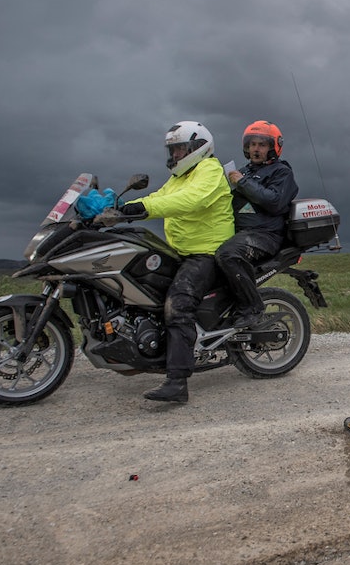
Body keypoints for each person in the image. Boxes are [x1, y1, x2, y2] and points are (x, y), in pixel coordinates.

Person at [96, 121, 234, 404]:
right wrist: (124, 210)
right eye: (172, 150)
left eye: (180, 149)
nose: (175, 155)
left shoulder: (209, 170)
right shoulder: (180, 177)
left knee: (178, 303)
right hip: (181, 251)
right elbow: (161, 197)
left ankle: (178, 381)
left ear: (198, 148)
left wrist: (143, 208)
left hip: (205, 252)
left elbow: (191, 200)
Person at [215, 120, 299, 329]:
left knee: (228, 255)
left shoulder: (282, 172)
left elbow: (274, 201)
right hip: (241, 233)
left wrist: (242, 182)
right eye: (252, 144)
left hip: (265, 235)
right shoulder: (244, 172)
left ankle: (253, 307)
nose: (255, 149)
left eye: (262, 144)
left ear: (273, 147)